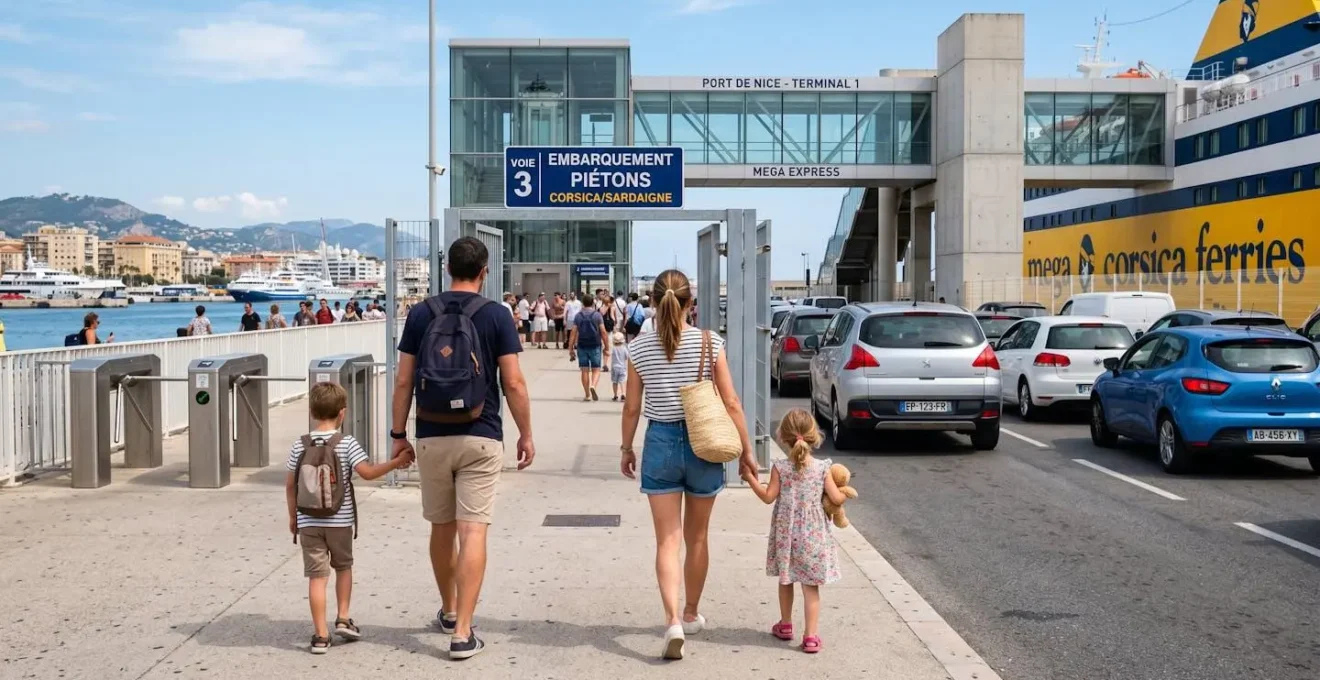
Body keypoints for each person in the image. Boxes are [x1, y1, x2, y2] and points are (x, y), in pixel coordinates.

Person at [390, 236, 535, 661]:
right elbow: (513, 382)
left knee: (442, 527)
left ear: (447, 269)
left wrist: (398, 434)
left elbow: (404, 380)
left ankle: (450, 610)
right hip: (481, 433)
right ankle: (463, 633)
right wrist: (526, 433)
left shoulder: (421, 313)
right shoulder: (497, 314)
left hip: (432, 433)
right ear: (484, 271)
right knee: (473, 529)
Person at [619, 269, 756, 660]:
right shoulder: (709, 342)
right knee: (697, 537)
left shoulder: (638, 348)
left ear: (653, 302)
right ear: (689, 304)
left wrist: (626, 448)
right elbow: (731, 402)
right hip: (704, 443)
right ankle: (691, 612)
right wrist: (747, 451)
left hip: (660, 441)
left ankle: (672, 622)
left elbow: (632, 407)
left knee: (667, 540)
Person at [285, 382, 414, 654]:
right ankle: (343, 617)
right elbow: (367, 473)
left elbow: (290, 484)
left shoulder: (300, 444)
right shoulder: (346, 443)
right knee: (343, 567)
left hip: (308, 521)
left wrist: (293, 516)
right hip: (339, 521)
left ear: (312, 411)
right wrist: (396, 462)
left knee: (316, 577)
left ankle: (320, 636)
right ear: (342, 412)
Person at [740, 409, 845, 654]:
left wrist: (750, 478)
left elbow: (768, 497)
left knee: (786, 579)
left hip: (786, 535)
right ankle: (810, 637)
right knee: (811, 587)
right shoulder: (822, 468)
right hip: (813, 536)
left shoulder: (781, 468)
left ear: (783, 437)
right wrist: (843, 491)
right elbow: (836, 498)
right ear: (813, 435)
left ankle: (786, 624)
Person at [568, 296, 608, 402]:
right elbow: (603, 332)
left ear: (583, 303)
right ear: (593, 303)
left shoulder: (578, 316)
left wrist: (570, 348)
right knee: (596, 369)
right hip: (595, 345)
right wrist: (607, 347)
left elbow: (573, 332)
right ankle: (593, 386)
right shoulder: (597, 315)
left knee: (584, 370)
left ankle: (587, 395)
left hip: (582, 345)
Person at [609, 331, 629, 402]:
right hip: (622, 367)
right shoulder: (624, 348)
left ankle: (615, 395)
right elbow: (627, 357)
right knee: (622, 381)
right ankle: (623, 394)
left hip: (614, 367)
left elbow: (609, 354)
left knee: (615, 382)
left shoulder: (613, 348)